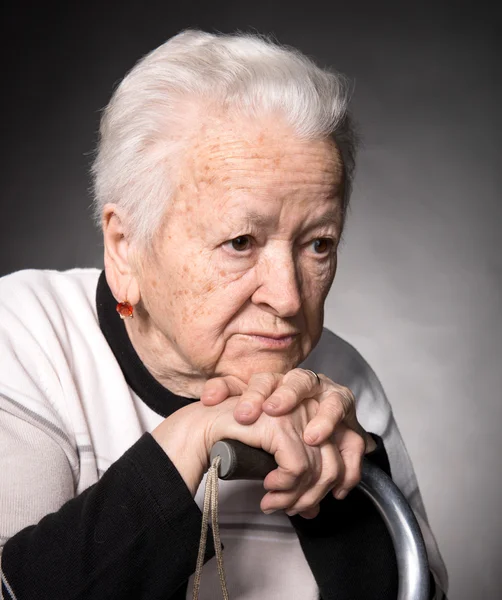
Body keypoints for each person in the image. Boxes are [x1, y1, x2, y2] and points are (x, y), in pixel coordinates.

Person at [0, 29, 448, 599]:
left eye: (319, 244)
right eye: (240, 241)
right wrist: (190, 438)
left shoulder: (342, 381)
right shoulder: (21, 336)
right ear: (124, 246)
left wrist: (346, 491)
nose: (287, 299)